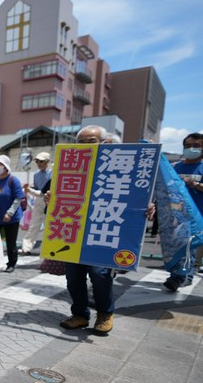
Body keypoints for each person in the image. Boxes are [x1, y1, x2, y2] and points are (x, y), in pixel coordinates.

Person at [57, 125, 154, 335]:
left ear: (106, 143)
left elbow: (137, 193)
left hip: (103, 231)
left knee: (100, 274)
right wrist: (50, 197)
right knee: (74, 277)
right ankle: (80, 314)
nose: (84, 147)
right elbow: (55, 189)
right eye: (80, 142)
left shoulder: (123, 166)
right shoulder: (71, 165)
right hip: (76, 231)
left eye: (90, 142)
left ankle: (105, 313)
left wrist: (146, 206)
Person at [164, 132, 203, 290]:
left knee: (189, 246)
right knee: (177, 247)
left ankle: (178, 277)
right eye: (187, 146)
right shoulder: (174, 167)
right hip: (176, 215)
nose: (191, 149)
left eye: (196, 146)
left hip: (197, 216)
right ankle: (185, 275)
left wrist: (195, 185)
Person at [0, 154, 24, 273]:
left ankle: (11, 263)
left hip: (11, 218)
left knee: (11, 242)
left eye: (0, 164)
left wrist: (9, 213)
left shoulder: (13, 180)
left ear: (5, 167)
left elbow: (18, 198)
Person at [19, 152, 53, 254]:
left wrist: (30, 189)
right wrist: (28, 189)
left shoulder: (53, 173)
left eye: (41, 161)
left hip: (51, 200)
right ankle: (26, 247)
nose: (39, 163)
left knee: (50, 225)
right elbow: (38, 189)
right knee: (34, 225)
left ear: (47, 161)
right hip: (39, 200)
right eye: (37, 161)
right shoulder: (36, 175)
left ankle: (49, 248)